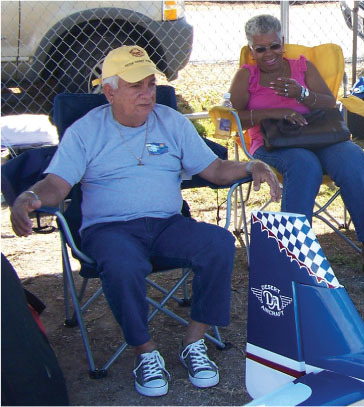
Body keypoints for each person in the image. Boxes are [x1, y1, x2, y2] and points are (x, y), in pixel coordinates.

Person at [10, 45, 281, 397]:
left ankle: (194, 343)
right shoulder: (85, 131)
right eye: (136, 85)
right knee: (122, 264)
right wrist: (28, 198)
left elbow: (213, 169)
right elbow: (56, 185)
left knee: (218, 243)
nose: (147, 93)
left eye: (151, 84)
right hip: (110, 229)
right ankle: (145, 351)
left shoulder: (172, 122)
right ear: (109, 91)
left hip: (167, 224)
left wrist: (250, 166)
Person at [229, 14, 364, 287]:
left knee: (352, 157)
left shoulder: (302, 67)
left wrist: (302, 95)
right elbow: (234, 117)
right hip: (272, 141)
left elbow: (329, 102)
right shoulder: (247, 75)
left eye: (274, 46)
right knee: (304, 164)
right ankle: (294, 255)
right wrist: (280, 112)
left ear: (282, 42)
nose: (269, 54)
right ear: (252, 50)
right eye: (260, 49)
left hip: (318, 135)